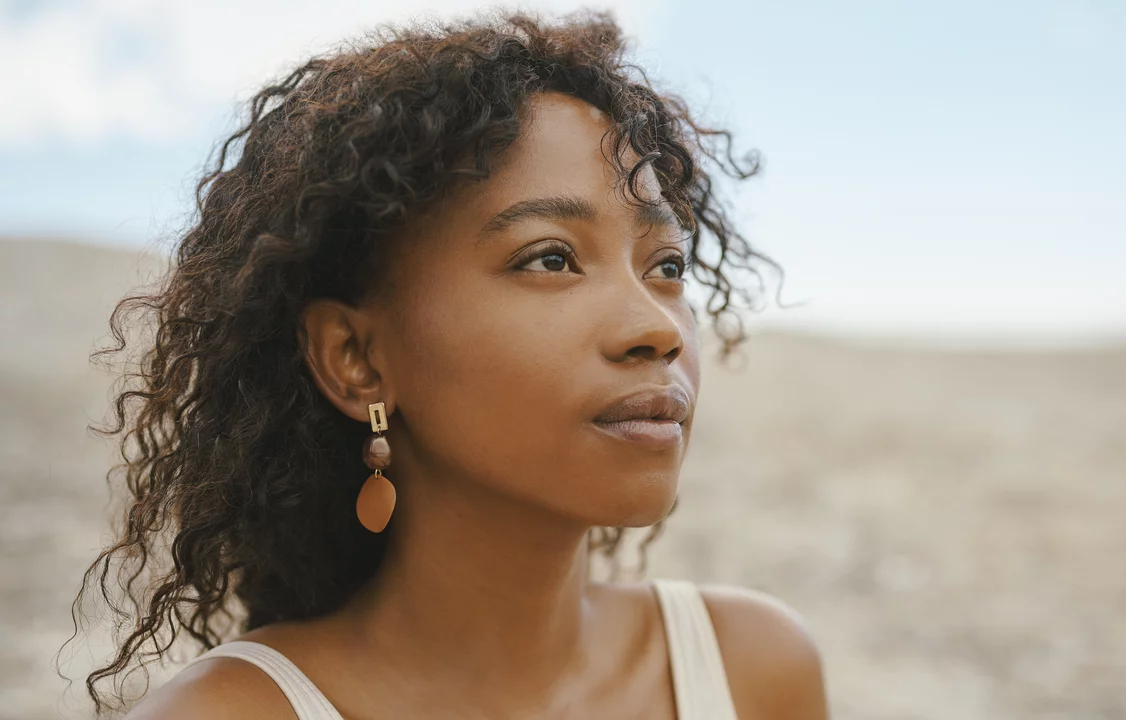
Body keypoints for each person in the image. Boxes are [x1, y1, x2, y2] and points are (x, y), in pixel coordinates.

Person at [68, 9, 828, 719]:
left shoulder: (750, 671)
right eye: (552, 258)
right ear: (356, 359)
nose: (656, 328)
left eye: (665, 265)